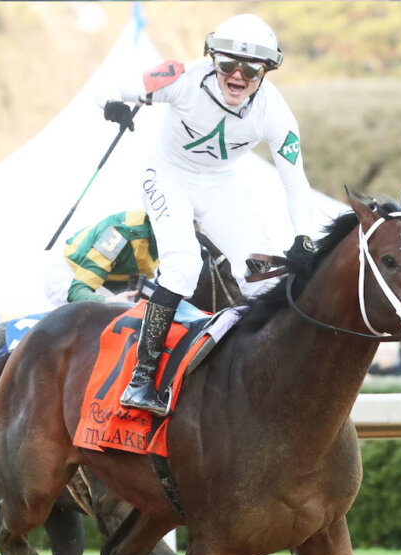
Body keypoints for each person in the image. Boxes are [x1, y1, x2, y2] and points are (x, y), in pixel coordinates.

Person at [102, 13, 316, 415]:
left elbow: (295, 182)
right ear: (211, 59)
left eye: (251, 69)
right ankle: (141, 379)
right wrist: (113, 105)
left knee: (260, 273)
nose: (238, 75)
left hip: (221, 184)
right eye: (227, 64)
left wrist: (302, 237)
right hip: (168, 176)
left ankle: (272, 376)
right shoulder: (181, 77)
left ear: (266, 71)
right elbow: (108, 86)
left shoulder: (275, 112)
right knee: (183, 267)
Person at [45, 210, 158, 306]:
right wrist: (111, 302)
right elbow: (76, 292)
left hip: (116, 279)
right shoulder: (119, 236)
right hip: (71, 277)